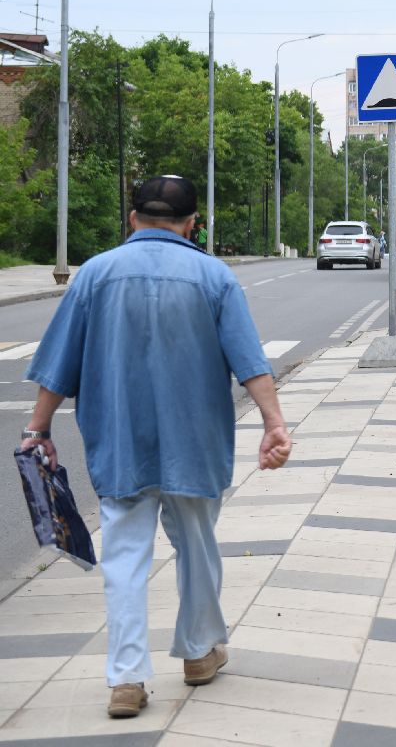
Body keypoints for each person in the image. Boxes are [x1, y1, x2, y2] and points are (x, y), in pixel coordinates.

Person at [22, 175, 291, 719]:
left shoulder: (95, 274)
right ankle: (197, 654)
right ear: (193, 225)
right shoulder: (213, 275)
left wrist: (38, 429)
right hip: (195, 440)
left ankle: (125, 680)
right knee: (197, 545)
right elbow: (249, 361)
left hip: (120, 440)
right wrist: (274, 424)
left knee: (123, 557)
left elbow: (58, 364)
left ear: (132, 218)